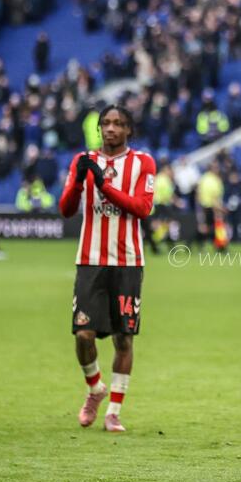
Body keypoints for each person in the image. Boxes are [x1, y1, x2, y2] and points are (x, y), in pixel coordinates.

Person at [58, 105, 156, 433]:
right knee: (83, 333)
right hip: (90, 261)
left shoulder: (143, 163)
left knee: (123, 338)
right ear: (99, 128)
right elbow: (66, 209)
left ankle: (113, 411)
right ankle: (95, 388)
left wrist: (104, 186)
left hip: (128, 263)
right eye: (107, 123)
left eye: (119, 124)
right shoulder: (82, 160)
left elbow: (142, 208)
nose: (111, 128)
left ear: (129, 130)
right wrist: (78, 183)